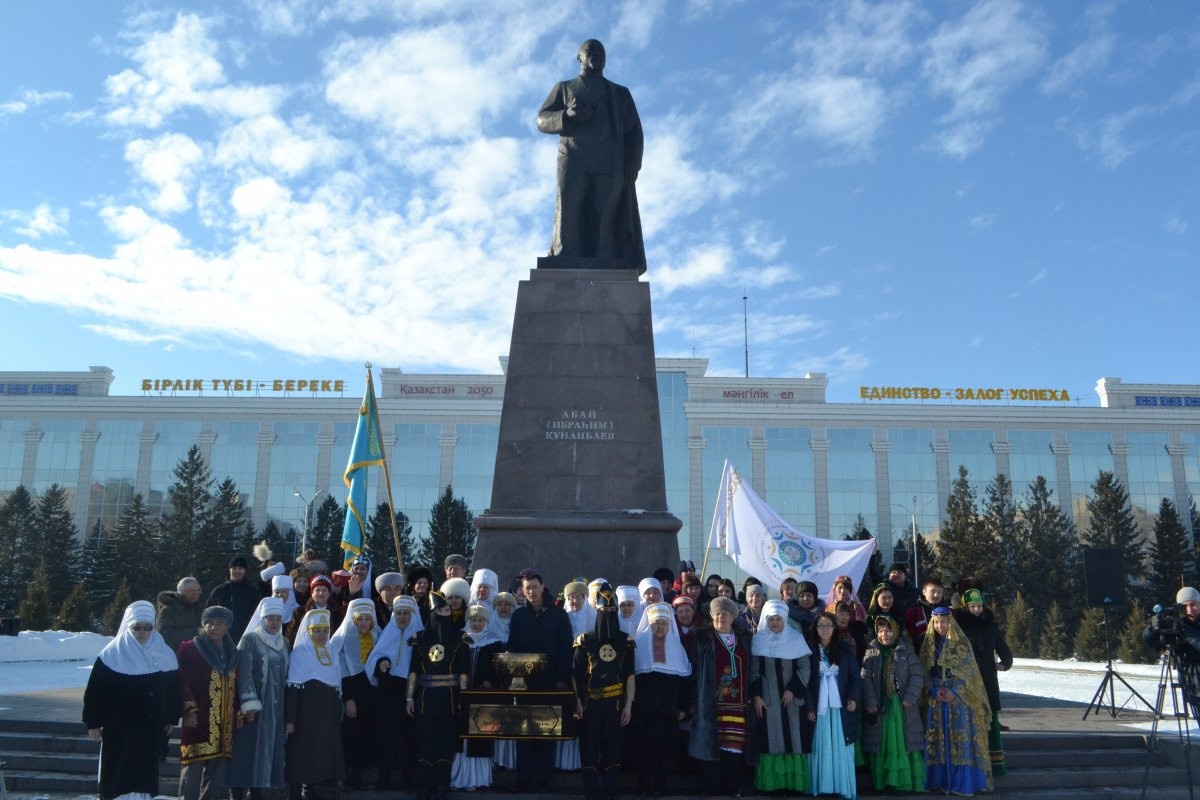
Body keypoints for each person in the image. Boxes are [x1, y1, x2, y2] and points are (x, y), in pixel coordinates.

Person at [536, 39, 645, 271]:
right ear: (579, 58)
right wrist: (567, 116)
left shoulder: (619, 93)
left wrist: (633, 162)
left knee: (605, 216)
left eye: (601, 51)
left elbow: (635, 131)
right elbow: (542, 120)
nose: (597, 54)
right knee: (569, 207)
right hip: (573, 159)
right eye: (591, 50)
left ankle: (604, 260)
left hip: (609, 162)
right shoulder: (564, 88)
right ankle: (565, 256)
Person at [83, 600, 181, 800]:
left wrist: (171, 717)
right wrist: (93, 722)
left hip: (149, 727)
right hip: (119, 727)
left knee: (144, 773)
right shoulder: (111, 654)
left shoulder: (165, 654)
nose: (142, 632)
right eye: (137, 627)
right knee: (118, 773)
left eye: (147, 627)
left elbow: (172, 690)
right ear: (129, 625)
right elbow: (95, 692)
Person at [507, 570, 573, 793]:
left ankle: (543, 779)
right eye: (527, 589)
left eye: (534, 587)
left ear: (542, 587)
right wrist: (515, 679)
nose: (531, 592)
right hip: (525, 684)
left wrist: (562, 680)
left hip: (550, 683)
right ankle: (523, 778)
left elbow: (566, 650)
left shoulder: (558, 615)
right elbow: (513, 648)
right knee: (524, 732)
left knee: (546, 731)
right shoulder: (518, 616)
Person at [572, 582, 635, 800]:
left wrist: (629, 704)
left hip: (616, 704)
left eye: (611, 611)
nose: (607, 614)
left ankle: (609, 793)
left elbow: (629, 674)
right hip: (590, 704)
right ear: (597, 611)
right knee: (588, 749)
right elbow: (576, 673)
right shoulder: (584, 640)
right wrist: (578, 701)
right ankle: (590, 793)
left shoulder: (625, 641)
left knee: (614, 749)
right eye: (603, 610)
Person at [406, 590, 470, 800]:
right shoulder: (419, 639)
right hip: (424, 699)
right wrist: (409, 697)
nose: (444, 613)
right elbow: (414, 670)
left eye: (446, 609)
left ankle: (442, 785)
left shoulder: (460, 638)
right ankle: (424, 786)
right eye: (439, 610)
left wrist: (463, 699)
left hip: (450, 699)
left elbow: (464, 672)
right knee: (425, 742)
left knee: (445, 741)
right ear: (432, 612)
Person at [921, 607, 992, 795]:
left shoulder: (960, 643)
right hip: (935, 697)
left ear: (950, 622)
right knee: (936, 739)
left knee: (960, 739)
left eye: (943, 621)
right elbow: (923, 670)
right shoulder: (928, 643)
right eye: (936, 622)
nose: (939, 625)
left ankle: (963, 782)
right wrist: (932, 689)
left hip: (957, 698)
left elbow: (970, 673)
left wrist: (955, 691)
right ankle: (938, 780)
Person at [688, 595, 750, 796]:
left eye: (725, 614)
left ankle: (731, 786)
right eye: (717, 614)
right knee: (710, 745)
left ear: (732, 617)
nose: (720, 617)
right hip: (710, 701)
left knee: (733, 746)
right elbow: (693, 670)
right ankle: (711, 788)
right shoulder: (702, 638)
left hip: (738, 703)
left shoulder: (744, 640)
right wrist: (693, 701)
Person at [228, 598, 290, 800]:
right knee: (246, 750)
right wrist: (249, 704)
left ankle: (256, 792)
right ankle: (236, 792)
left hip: (275, 708)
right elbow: (244, 674)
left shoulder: (284, 643)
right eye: (270, 619)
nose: (274, 623)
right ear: (262, 620)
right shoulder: (250, 640)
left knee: (267, 750)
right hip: (255, 707)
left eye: (278, 619)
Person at [749, 599, 812, 794]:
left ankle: (794, 784)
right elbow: (754, 671)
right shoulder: (758, 639)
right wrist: (757, 696)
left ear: (784, 619)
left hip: (791, 700)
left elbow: (805, 666)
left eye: (778, 619)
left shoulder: (796, 639)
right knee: (772, 739)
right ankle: (772, 784)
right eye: (771, 620)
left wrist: (793, 689)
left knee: (794, 739)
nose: (775, 623)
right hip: (769, 700)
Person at [177, 606, 239, 800]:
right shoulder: (189, 648)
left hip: (224, 724)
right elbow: (180, 680)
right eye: (209, 623)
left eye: (219, 623)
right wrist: (189, 710)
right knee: (192, 772)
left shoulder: (232, 652)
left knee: (217, 776)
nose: (213, 627)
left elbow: (236, 685)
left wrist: (238, 713)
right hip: (199, 720)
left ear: (227, 627)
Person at [285, 609, 347, 800]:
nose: (321, 635)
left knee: (319, 753)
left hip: (326, 715)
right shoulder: (299, 654)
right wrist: (290, 719)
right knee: (301, 752)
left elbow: (336, 685)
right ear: (308, 631)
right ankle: (295, 792)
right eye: (316, 631)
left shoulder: (332, 653)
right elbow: (292, 687)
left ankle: (310, 788)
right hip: (304, 715)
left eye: (324, 631)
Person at [860, 616, 926, 794]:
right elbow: (865, 677)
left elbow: (917, 675)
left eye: (888, 630)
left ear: (895, 630)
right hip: (881, 706)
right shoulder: (872, 651)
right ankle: (884, 781)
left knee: (903, 742)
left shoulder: (905, 649)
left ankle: (902, 782)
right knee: (883, 743)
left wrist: (910, 697)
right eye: (880, 631)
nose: (884, 634)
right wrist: (871, 701)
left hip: (901, 705)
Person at [632, 601, 691, 795]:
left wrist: (683, 707)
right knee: (642, 747)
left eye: (664, 623)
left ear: (669, 625)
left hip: (668, 709)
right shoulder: (638, 645)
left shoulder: (677, 647)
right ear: (649, 623)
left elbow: (684, 681)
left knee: (664, 748)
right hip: (643, 709)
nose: (660, 627)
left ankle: (660, 784)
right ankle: (642, 784)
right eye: (656, 623)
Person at [953, 588, 1013, 775]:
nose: (977, 609)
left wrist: (1005, 664)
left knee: (990, 722)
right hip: (967, 680)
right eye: (973, 606)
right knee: (969, 721)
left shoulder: (990, 625)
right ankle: (971, 765)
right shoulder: (958, 625)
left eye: (979, 605)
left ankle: (995, 766)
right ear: (965, 606)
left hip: (988, 680)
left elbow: (1003, 649)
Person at [367, 595, 424, 791]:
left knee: (408, 738)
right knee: (385, 737)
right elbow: (373, 660)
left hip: (410, 693)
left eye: (406, 613)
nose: (402, 617)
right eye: (398, 613)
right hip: (387, 693)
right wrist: (381, 661)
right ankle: (384, 779)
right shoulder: (387, 633)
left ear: (412, 615)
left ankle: (408, 779)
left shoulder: (419, 636)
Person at [805, 612, 859, 800]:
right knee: (820, 744)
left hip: (839, 707)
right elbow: (806, 681)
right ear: (816, 628)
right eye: (821, 625)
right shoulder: (808, 651)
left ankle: (841, 786)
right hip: (819, 707)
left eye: (828, 625)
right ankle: (820, 785)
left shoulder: (844, 650)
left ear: (834, 628)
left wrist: (853, 697)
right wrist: (810, 707)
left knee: (840, 744)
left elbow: (854, 677)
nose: (825, 629)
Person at [329, 598, 381, 789]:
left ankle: (359, 776)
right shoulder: (343, 638)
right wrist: (348, 698)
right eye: (360, 619)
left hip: (370, 693)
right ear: (354, 620)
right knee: (351, 735)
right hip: (352, 693)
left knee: (365, 734)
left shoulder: (377, 636)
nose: (364, 623)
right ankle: (346, 777)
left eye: (368, 619)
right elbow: (341, 668)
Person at [452, 604, 504, 790]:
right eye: (473, 620)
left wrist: (490, 681)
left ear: (486, 622)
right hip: (461, 694)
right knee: (460, 734)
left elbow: (498, 669)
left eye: (480, 620)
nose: (476, 623)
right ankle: (460, 777)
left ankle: (479, 778)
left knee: (481, 735)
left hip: (483, 697)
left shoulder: (494, 643)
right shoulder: (459, 641)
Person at [1144, 586, 1200, 722]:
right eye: (1185, 606)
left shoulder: (1182, 627)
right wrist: (1151, 630)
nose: (1190, 610)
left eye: (1193, 605)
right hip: (1192, 683)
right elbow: (1154, 645)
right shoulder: (1179, 625)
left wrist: (1184, 631)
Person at [559, 579, 595, 772]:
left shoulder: (593, 617)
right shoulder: (562, 617)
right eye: (571, 598)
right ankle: (565, 761)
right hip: (566, 669)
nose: (575, 601)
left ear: (584, 598)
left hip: (587, 671)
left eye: (579, 597)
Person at [208, 557, 262, 642]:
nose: (237, 571)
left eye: (240, 568)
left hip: (244, 639)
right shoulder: (218, 591)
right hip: (219, 640)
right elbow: (208, 615)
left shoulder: (252, 593)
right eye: (234, 568)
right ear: (230, 570)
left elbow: (258, 617)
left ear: (245, 571)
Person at [286, 575, 343, 642]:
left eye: (324, 590)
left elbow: (341, 634)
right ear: (312, 593)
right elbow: (291, 635)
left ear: (329, 593)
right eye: (317, 590)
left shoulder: (337, 612)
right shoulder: (300, 612)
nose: (321, 593)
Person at [157, 577, 205, 654]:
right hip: (178, 658)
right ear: (188, 592)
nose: (200, 592)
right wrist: (197, 631)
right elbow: (165, 638)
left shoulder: (199, 607)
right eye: (197, 590)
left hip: (200, 656)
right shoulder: (167, 611)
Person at [905, 576, 945, 652]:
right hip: (920, 657)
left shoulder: (948, 612)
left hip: (944, 658)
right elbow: (909, 638)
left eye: (939, 592)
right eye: (933, 591)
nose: (936, 595)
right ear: (924, 592)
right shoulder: (913, 612)